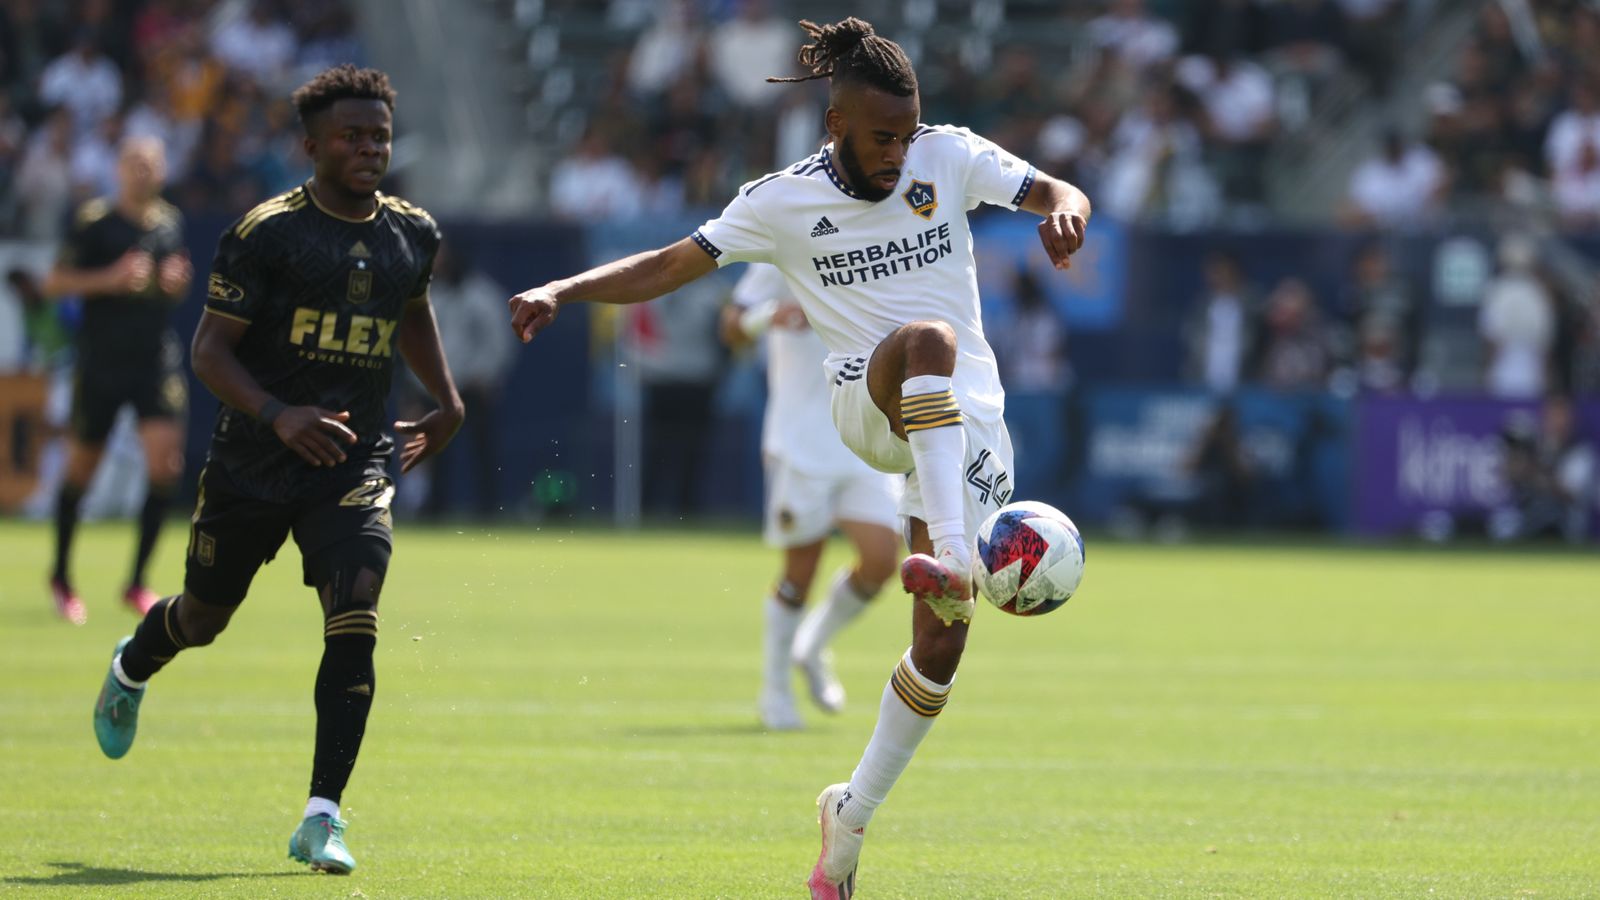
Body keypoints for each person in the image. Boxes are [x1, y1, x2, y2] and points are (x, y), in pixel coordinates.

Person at [507, 18, 1089, 898]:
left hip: (970, 423)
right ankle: (952, 564)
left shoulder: (950, 156)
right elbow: (671, 264)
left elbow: (1055, 190)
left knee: (940, 648)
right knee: (925, 339)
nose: (899, 152)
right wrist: (563, 287)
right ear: (836, 126)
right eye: (881, 136)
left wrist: (1069, 211)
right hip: (867, 395)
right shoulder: (780, 201)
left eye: (907, 132)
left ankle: (848, 820)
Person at [90, 65, 464, 875]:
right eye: (351, 136)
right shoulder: (266, 234)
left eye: (379, 136)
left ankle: (321, 816)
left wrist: (448, 400)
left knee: (357, 607)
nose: (369, 149)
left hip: (352, 459)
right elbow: (209, 352)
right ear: (311, 146)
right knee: (202, 617)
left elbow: (411, 311)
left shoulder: (412, 232)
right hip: (256, 460)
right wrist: (279, 414)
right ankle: (131, 665)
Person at [721, 262, 902, 732]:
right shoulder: (785, 241)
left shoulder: (881, 239)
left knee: (883, 559)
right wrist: (769, 317)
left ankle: (812, 644)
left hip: (864, 436)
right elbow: (731, 326)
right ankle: (774, 691)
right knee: (800, 570)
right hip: (799, 441)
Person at [45, 136, 192, 625]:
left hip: (154, 360)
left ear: (163, 171)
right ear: (119, 170)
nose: (143, 172)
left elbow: (174, 284)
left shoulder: (170, 223)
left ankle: (136, 582)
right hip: (102, 362)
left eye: (151, 164)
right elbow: (55, 282)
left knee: (166, 465)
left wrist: (178, 283)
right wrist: (108, 279)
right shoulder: (95, 223)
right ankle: (62, 576)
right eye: (134, 164)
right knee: (82, 470)